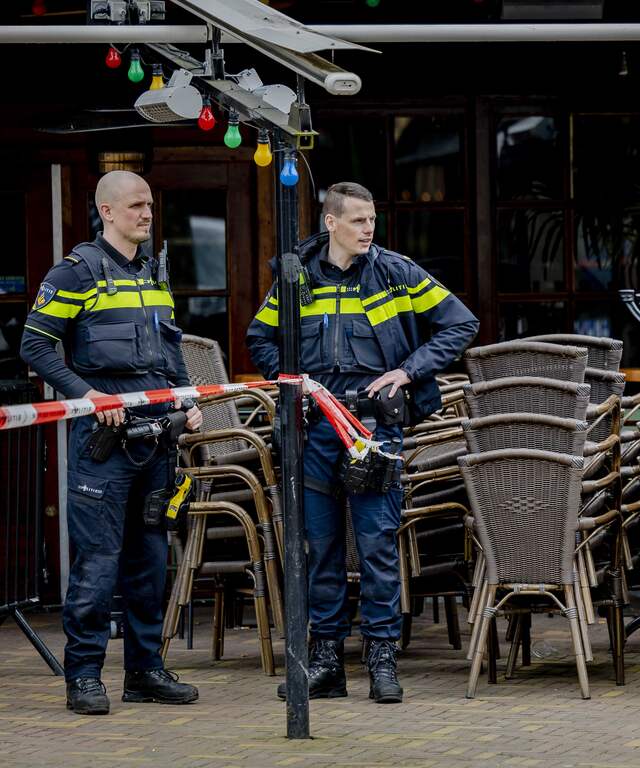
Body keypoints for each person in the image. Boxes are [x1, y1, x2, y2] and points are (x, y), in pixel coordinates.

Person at [247, 182, 479, 704]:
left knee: (376, 546)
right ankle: (325, 662)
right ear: (330, 222)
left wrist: (407, 371)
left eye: (371, 219)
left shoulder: (395, 271)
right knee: (319, 548)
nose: (368, 229)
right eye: (357, 220)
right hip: (314, 428)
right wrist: (292, 380)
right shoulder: (296, 277)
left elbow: (461, 323)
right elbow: (259, 337)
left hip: (375, 429)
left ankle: (381, 659)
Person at [21, 171, 202, 715]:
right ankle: (84, 677)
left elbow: (169, 354)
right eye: (136, 205)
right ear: (107, 210)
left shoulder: (152, 272)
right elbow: (37, 344)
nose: (147, 214)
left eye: (150, 205)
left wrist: (185, 401)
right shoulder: (75, 272)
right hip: (102, 443)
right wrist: (91, 395)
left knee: (149, 562)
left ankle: (145, 671)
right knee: (98, 566)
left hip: (156, 439)